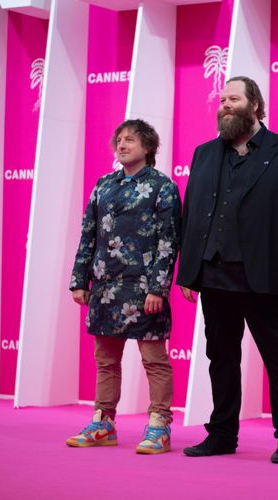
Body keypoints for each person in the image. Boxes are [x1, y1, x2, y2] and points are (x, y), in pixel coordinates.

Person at [177, 76, 278, 464]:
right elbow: (191, 215)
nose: (225, 105)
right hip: (213, 274)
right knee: (221, 358)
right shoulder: (204, 153)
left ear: (254, 105)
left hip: (267, 276)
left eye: (233, 99)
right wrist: (188, 271)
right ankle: (221, 434)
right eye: (222, 100)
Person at [67, 119, 181, 455]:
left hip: (144, 289)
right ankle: (103, 423)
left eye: (130, 139)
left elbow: (168, 242)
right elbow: (88, 235)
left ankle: (159, 426)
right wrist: (79, 280)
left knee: (154, 359)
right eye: (118, 140)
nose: (121, 144)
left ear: (148, 146)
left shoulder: (163, 187)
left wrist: (158, 288)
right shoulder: (104, 185)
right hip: (104, 285)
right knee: (105, 359)